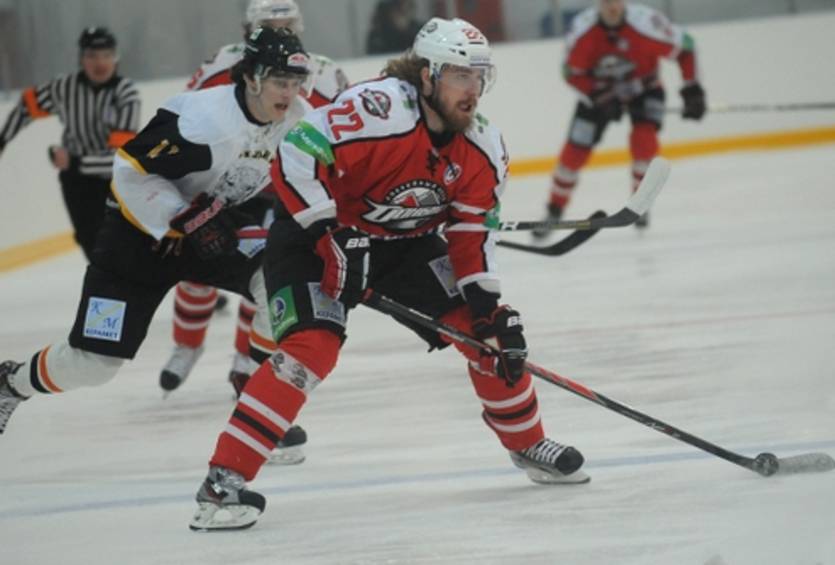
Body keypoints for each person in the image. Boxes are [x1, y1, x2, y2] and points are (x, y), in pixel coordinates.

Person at [189, 17, 589, 532]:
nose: (472, 90)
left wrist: (488, 308)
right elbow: (295, 153)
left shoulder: (484, 148)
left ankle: (528, 443)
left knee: (488, 334)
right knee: (310, 350)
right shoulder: (379, 111)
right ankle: (222, 483)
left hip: (403, 245)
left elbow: (471, 236)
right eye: (460, 76)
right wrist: (329, 233)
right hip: (315, 239)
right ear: (426, 76)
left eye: (479, 76)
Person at [0, 28, 312, 454]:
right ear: (251, 78)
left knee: (277, 282)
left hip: (208, 229)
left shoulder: (298, 121)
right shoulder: (204, 122)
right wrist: (179, 216)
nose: (289, 93)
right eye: (279, 81)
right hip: (137, 239)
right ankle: (10, 383)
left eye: (295, 82)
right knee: (93, 364)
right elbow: (130, 169)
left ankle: (259, 408)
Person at [163, 0, 351, 403]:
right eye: (270, 23)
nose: (282, 30)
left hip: (285, 189)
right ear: (248, 29)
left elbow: (346, 134)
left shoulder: (324, 71)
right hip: (225, 183)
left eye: (288, 23)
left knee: (269, 272)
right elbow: (186, 118)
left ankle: (247, 358)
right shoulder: (222, 63)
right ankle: (187, 345)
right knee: (196, 271)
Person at [534, 0, 705, 235]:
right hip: (597, 94)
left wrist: (692, 89)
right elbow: (570, 72)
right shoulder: (582, 30)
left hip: (644, 90)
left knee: (644, 141)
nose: (612, 6)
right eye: (606, 1)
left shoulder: (647, 23)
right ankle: (554, 210)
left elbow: (686, 47)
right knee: (574, 152)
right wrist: (601, 97)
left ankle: (639, 204)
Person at [0, 27, 140, 260]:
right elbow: (27, 106)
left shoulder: (125, 93)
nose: (100, 63)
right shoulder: (65, 87)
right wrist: (3, 139)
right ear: (81, 58)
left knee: (124, 245)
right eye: (92, 56)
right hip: (77, 184)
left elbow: (119, 159)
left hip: (115, 184)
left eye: (106, 55)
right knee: (91, 244)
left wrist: (74, 161)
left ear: (116, 58)